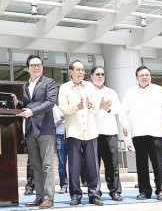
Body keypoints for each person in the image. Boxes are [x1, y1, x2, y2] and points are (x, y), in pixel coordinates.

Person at [120, 66, 162, 201]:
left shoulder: (159, 91)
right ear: (137, 77)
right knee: (141, 164)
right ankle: (144, 191)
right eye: (142, 75)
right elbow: (123, 111)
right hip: (138, 133)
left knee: (159, 164)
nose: (145, 77)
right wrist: (125, 125)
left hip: (156, 132)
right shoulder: (130, 92)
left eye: (147, 75)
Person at [14, 54, 57, 209]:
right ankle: (39, 196)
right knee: (35, 165)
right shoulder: (25, 86)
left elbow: (50, 103)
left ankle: (48, 197)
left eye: (39, 64)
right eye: (33, 65)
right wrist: (17, 102)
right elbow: (27, 105)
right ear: (28, 69)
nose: (36, 67)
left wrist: (32, 112)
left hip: (45, 128)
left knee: (47, 165)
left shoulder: (49, 82)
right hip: (30, 129)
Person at [58, 60, 103, 206]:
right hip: (73, 131)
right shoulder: (64, 88)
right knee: (74, 166)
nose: (81, 72)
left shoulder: (90, 86)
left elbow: (96, 106)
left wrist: (91, 105)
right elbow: (63, 108)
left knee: (93, 165)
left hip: (90, 131)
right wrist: (75, 107)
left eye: (83, 70)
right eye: (78, 70)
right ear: (71, 71)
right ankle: (76, 195)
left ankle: (94, 194)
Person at [90, 66, 123, 201]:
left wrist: (108, 108)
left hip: (110, 132)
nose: (100, 76)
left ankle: (115, 191)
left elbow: (118, 108)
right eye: (97, 74)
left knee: (112, 163)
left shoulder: (111, 92)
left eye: (102, 74)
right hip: (93, 133)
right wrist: (100, 106)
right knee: (93, 164)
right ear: (91, 76)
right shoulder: (87, 90)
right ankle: (95, 192)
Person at [52, 104, 68, 194]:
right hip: (60, 136)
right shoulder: (55, 108)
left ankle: (75, 185)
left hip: (71, 134)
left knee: (75, 163)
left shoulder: (73, 105)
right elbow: (52, 123)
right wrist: (59, 120)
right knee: (62, 163)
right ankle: (64, 185)